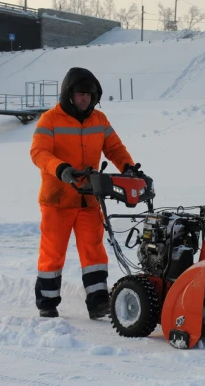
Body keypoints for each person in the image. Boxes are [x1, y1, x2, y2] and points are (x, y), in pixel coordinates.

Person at [30, 67, 140, 319]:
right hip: (57, 199)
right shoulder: (49, 119)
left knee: (94, 251)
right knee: (53, 252)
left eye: (90, 96)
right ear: (68, 94)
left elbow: (114, 148)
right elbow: (38, 153)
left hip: (90, 197)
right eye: (81, 95)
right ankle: (47, 302)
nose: (85, 100)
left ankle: (98, 302)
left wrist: (129, 168)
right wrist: (62, 169)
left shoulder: (99, 120)